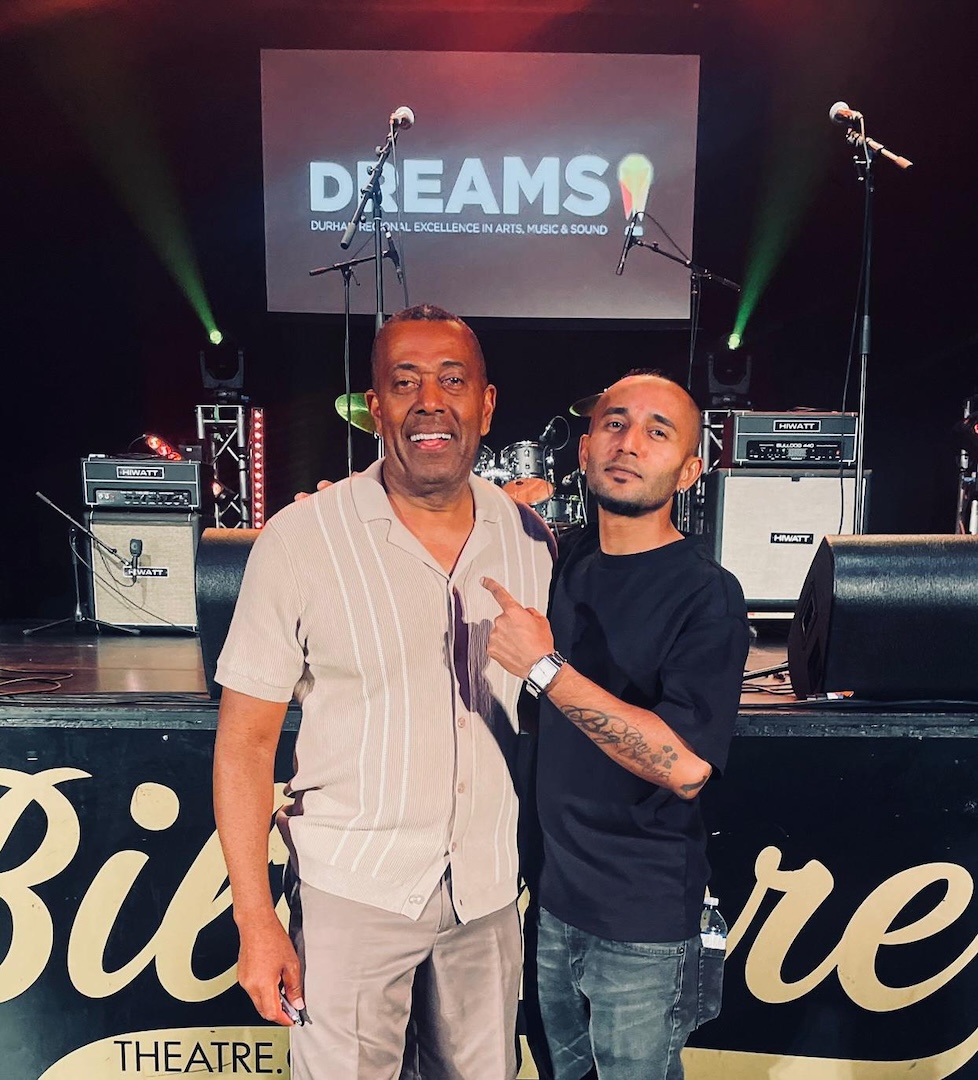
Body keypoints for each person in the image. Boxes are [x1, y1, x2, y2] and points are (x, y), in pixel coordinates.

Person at [212, 304, 555, 1080]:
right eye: (404, 382)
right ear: (374, 409)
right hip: (352, 898)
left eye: (452, 380)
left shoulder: (534, 541)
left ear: (486, 404)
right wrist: (256, 919)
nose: (429, 400)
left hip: (487, 897)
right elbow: (243, 745)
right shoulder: (301, 540)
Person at [483, 370, 750, 1080]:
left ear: (690, 469)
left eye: (657, 432)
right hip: (549, 905)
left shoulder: (707, 594)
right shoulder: (561, 561)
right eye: (614, 423)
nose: (629, 442)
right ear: (584, 448)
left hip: (642, 926)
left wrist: (545, 670)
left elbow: (684, 766)